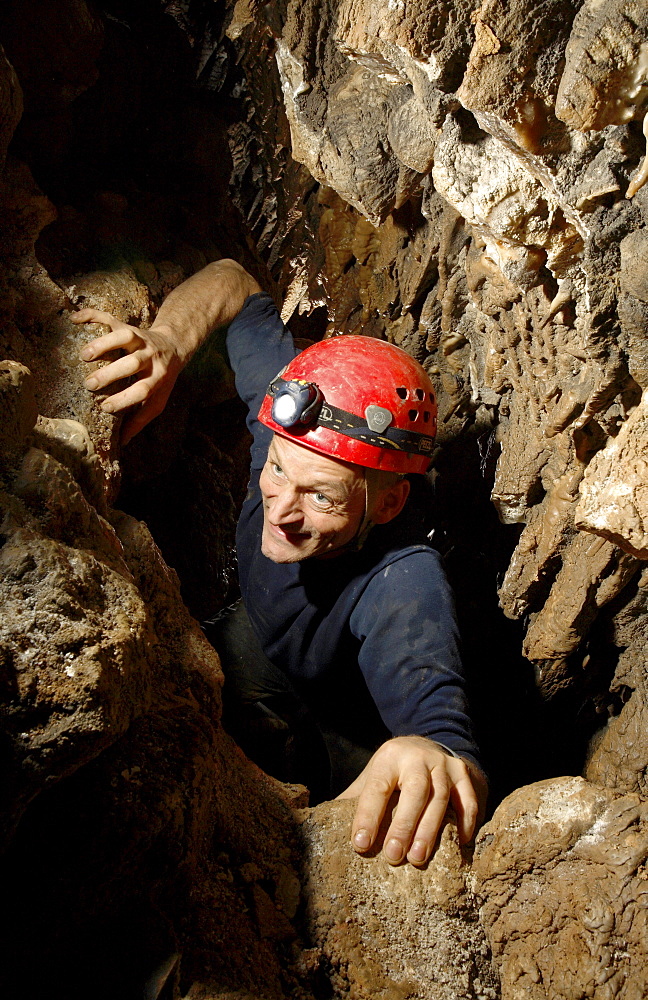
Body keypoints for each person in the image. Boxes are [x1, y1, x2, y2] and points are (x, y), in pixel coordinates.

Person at [72, 258, 487, 867]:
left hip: (353, 709)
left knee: (346, 808)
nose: (281, 510)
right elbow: (233, 281)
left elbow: (447, 740)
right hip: (263, 638)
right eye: (276, 473)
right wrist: (167, 344)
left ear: (389, 503)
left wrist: (434, 755)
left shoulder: (406, 583)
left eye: (321, 496)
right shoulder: (291, 434)